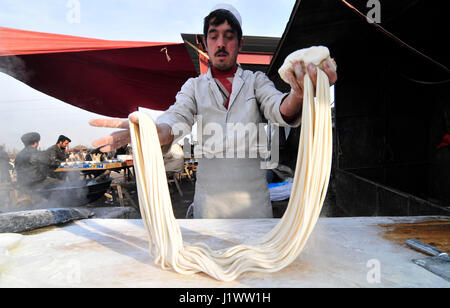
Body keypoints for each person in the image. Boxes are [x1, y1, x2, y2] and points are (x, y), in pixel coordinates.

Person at [90, 3, 337, 218]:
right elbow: (178, 116)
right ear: (204, 42)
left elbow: (279, 108)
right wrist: (156, 130)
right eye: (214, 35)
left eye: (229, 36)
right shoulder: (195, 87)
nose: (221, 43)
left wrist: (298, 94)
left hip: (253, 208)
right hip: (210, 210)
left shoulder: (256, 81)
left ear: (240, 43)